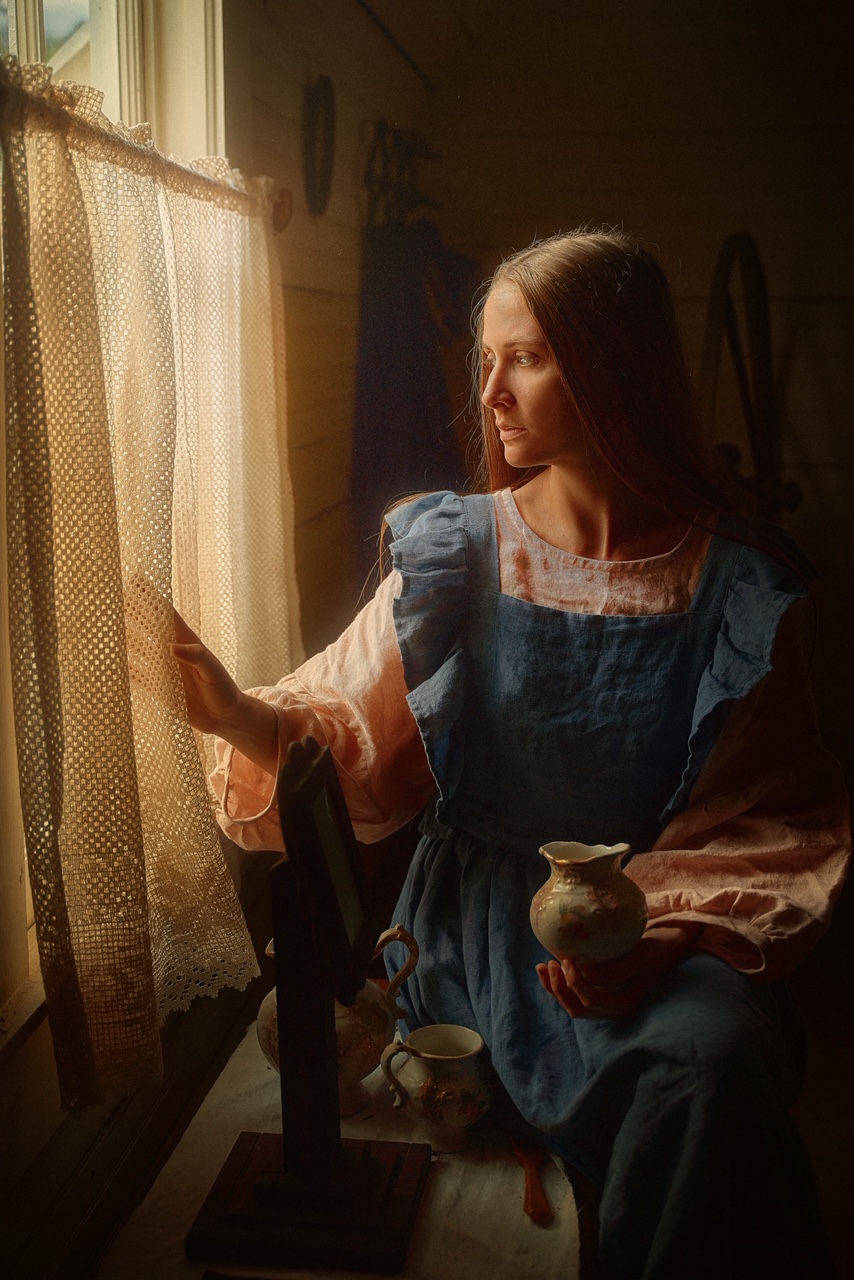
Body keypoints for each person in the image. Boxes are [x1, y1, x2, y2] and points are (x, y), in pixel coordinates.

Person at [172, 229, 851, 1279]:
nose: (490, 390)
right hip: (478, 923)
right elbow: (350, 734)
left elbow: (769, 814)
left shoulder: (734, 580)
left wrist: (662, 935)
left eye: (524, 357)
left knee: (709, 1061)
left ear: (613, 366)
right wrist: (233, 714)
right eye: (483, 359)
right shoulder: (461, 548)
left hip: (653, 917)